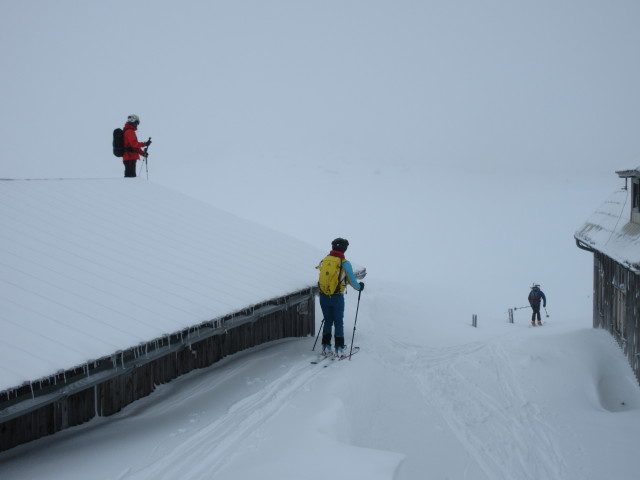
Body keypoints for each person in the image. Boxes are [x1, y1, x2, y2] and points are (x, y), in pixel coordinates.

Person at [316, 238, 364, 357]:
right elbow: (352, 281)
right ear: (344, 249)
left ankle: (326, 347)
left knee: (327, 320)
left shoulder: (325, 259)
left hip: (323, 296)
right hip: (337, 297)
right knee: (338, 322)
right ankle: (339, 348)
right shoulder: (345, 263)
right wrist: (359, 287)